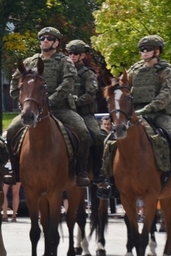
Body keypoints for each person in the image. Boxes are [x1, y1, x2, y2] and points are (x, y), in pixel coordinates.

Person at [6, 27, 90, 189]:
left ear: (56, 42)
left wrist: (50, 100)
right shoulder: (29, 62)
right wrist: (24, 102)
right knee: (11, 131)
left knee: (82, 131)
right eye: (42, 38)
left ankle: (81, 172)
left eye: (49, 38)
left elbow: (68, 83)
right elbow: (15, 83)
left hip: (60, 108)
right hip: (32, 109)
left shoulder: (65, 62)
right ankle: (15, 170)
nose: (45, 40)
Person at [122, 35, 171, 200]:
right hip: (137, 113)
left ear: (157, 51)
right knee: (112, 138)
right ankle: (107, 179)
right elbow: (124, 88)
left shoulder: (166, 70)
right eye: (142, 49)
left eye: (148, 49)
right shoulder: (134, 70)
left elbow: (167, 92)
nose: (144, 52)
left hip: (161, 113)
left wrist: (149, 108)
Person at [65, 40, 107, 185]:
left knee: (97, 136)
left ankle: (98, 170)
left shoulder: (88, 74)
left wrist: (75, 101)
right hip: (64, 112)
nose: (71, 56)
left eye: (75, 53)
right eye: (69, 53)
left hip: (84, 114)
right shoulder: (63, 71)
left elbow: (91, 94)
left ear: (82, 55)